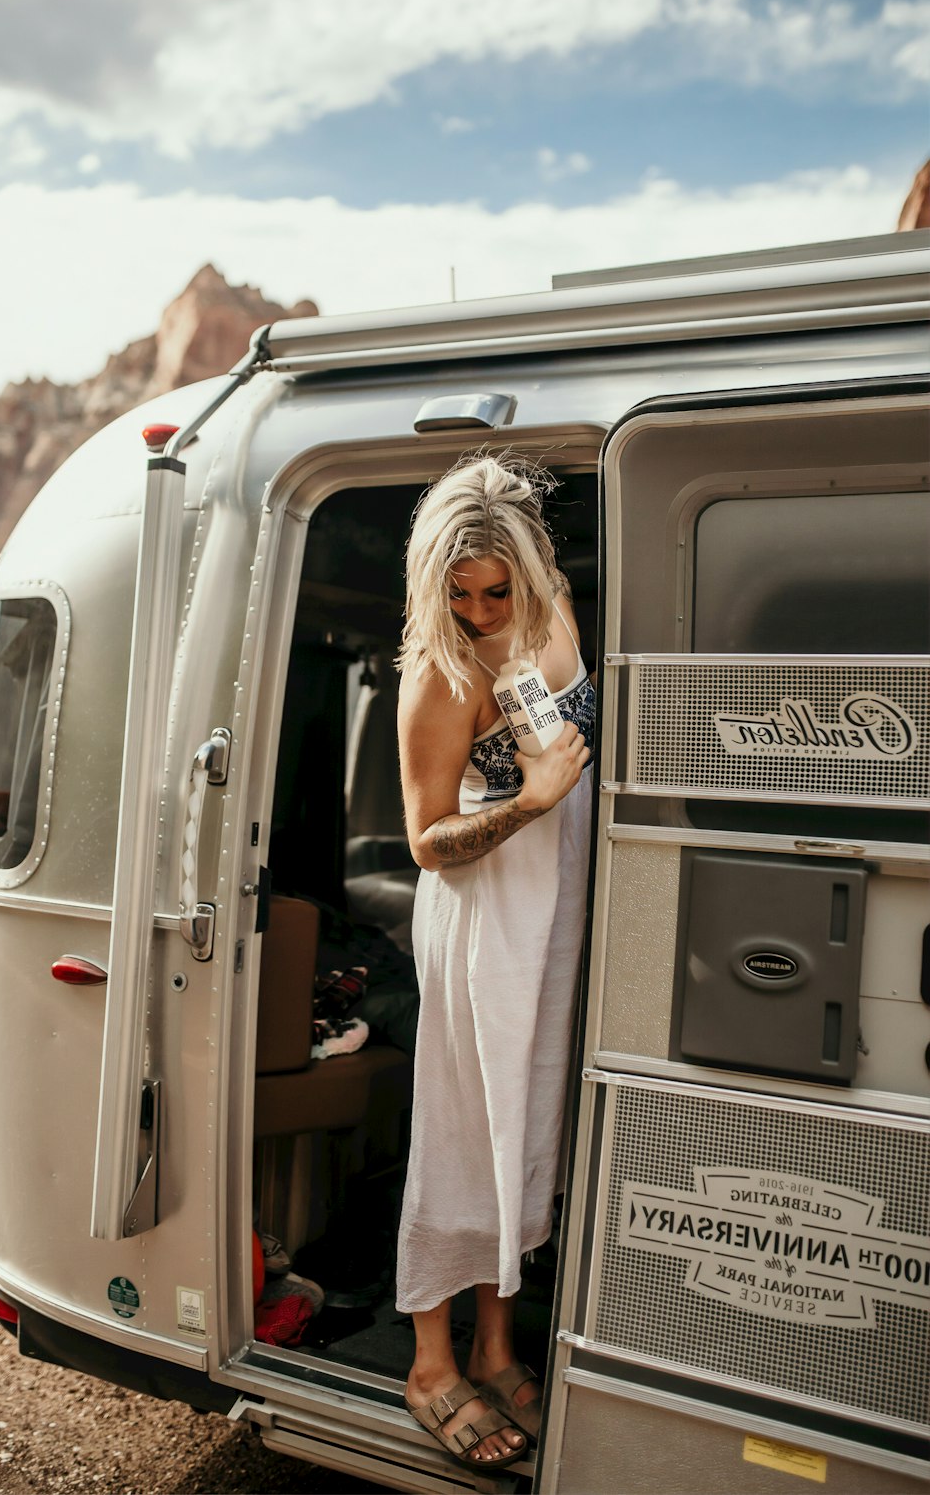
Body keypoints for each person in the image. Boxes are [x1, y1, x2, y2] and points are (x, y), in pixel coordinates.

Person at [395, 455, 594, 1469]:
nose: (475, 609)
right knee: (463, 1134)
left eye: (493, 589)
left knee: (526, 1127)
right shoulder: (441, 670)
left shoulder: (555, 621)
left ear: (534, 568)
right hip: (482, 918)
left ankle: (497, 1339)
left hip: (554, 911)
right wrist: (527, 802)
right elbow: (425, 840)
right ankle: (432, 1364)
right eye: (456, 590)